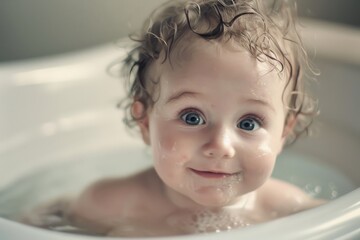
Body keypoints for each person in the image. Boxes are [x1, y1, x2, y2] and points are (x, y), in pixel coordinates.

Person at [22, 0, 325, 237]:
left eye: (248, 123)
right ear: (144, 122)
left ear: (283, 134)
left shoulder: (288, 210)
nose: (220, 146)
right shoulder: (111, 203)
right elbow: (41, 223)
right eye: (192, 117)